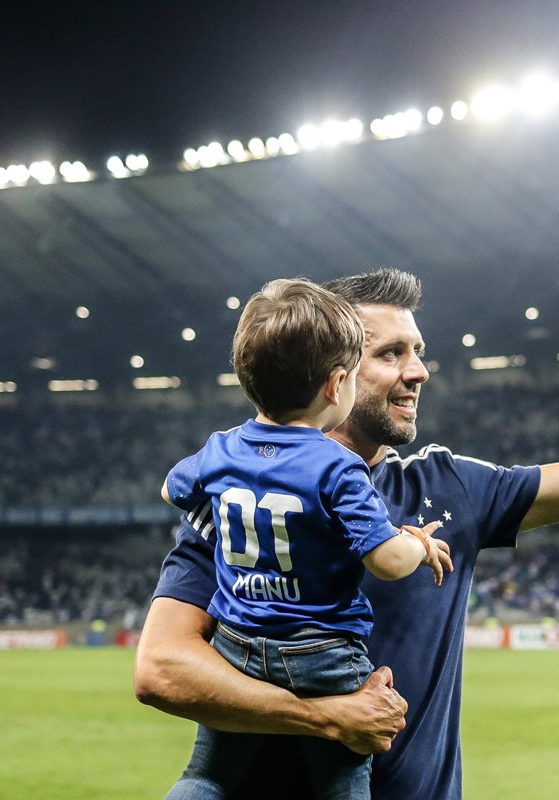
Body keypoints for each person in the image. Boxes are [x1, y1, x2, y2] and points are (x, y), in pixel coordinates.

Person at [135, 268, 559, 799]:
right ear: (332, 372)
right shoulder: (246, 502)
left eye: (419, 352)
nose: (418, 371)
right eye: (392, 353)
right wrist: (325, 718)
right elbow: (162, 671)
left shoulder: (451, 488)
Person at [159, 278, 451, 799]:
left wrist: (224, 519)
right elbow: (385, 560)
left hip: (237, 645)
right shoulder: (338, 466)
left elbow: (170, 490)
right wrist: (419, 545)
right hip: (323, 654)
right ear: (337, 385)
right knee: (342, 780)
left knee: (207, 775)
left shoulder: (220, 450)